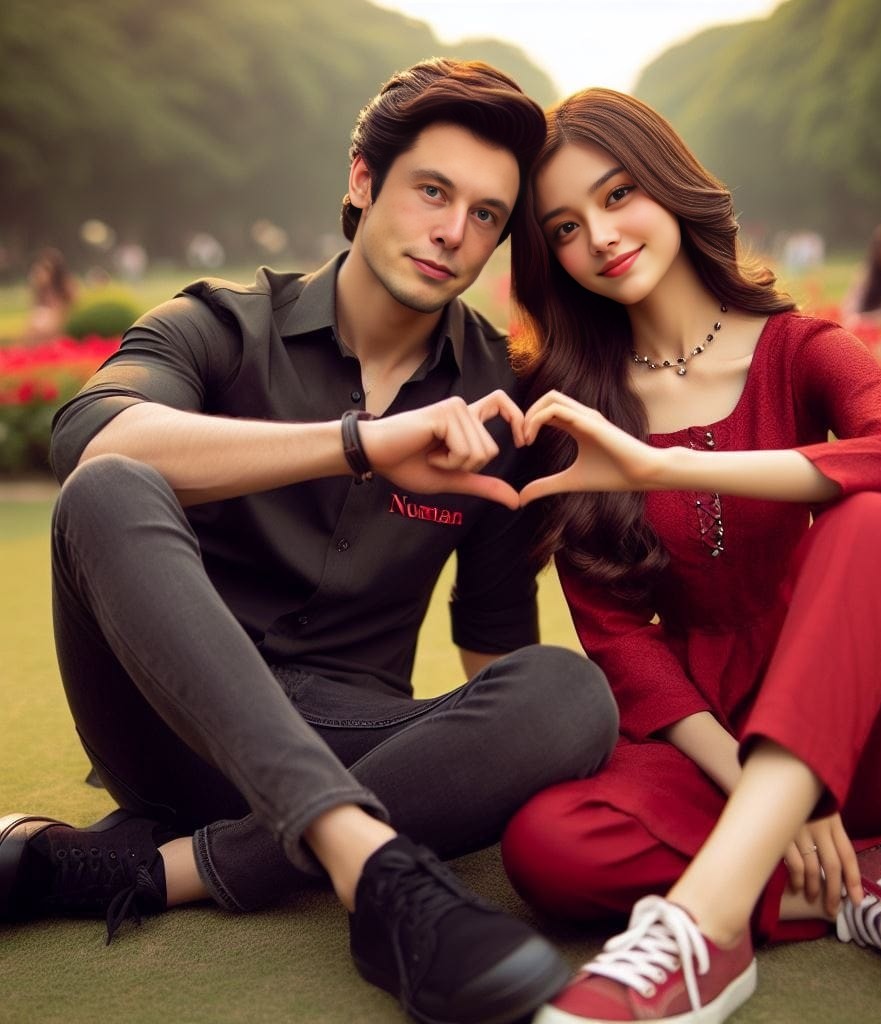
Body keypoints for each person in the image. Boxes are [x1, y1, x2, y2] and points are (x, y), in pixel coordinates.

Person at [0, 60, 619, 1024]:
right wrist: (361, 446)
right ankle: (375, 874)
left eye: (488, 215)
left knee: (570, 691)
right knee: (111, 485)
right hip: (165, 720)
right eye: (432, 191)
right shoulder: (215, 324)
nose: (455, 233)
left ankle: (145, 869)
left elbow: (496, 642)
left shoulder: (500, 400)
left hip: (353, 736)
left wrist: (536, 753)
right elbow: (91, 437)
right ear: (363, 181)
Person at [500, 88, 881, 1024]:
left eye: (620, 195)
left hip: (857, 713)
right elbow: (619, 643)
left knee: (870, 522)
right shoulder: (575, 404)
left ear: (668, 185)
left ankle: (703, 931)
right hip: (711, 737)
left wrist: (656, 463)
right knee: (547, 845)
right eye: (567, 227)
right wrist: (769, 793)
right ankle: (855, 883)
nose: (603, 236)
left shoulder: (802, 350)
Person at [19, 246, 78, 345]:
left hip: (60, 319)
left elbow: (72, 306)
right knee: (35, 325)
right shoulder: (42, 288)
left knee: (37, 326)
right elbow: (35, 306)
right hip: (44, 320)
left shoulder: (65, 285)